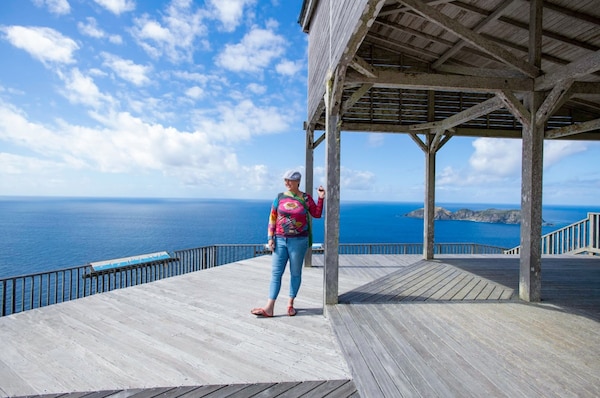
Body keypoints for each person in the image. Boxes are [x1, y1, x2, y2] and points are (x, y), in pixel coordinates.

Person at [251, 170, 326, 317]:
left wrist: (321, 198)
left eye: (290, 181)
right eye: (285, 180)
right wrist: (270, 238)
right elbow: (272, 217)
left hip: (299, 241)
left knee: (295, 273)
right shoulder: (279, 197)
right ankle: (269, 307)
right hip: (280, 240)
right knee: (276, 274)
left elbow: (316, 214)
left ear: (298, 181)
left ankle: (290, 304)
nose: (287, 183)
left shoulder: (305, 198)